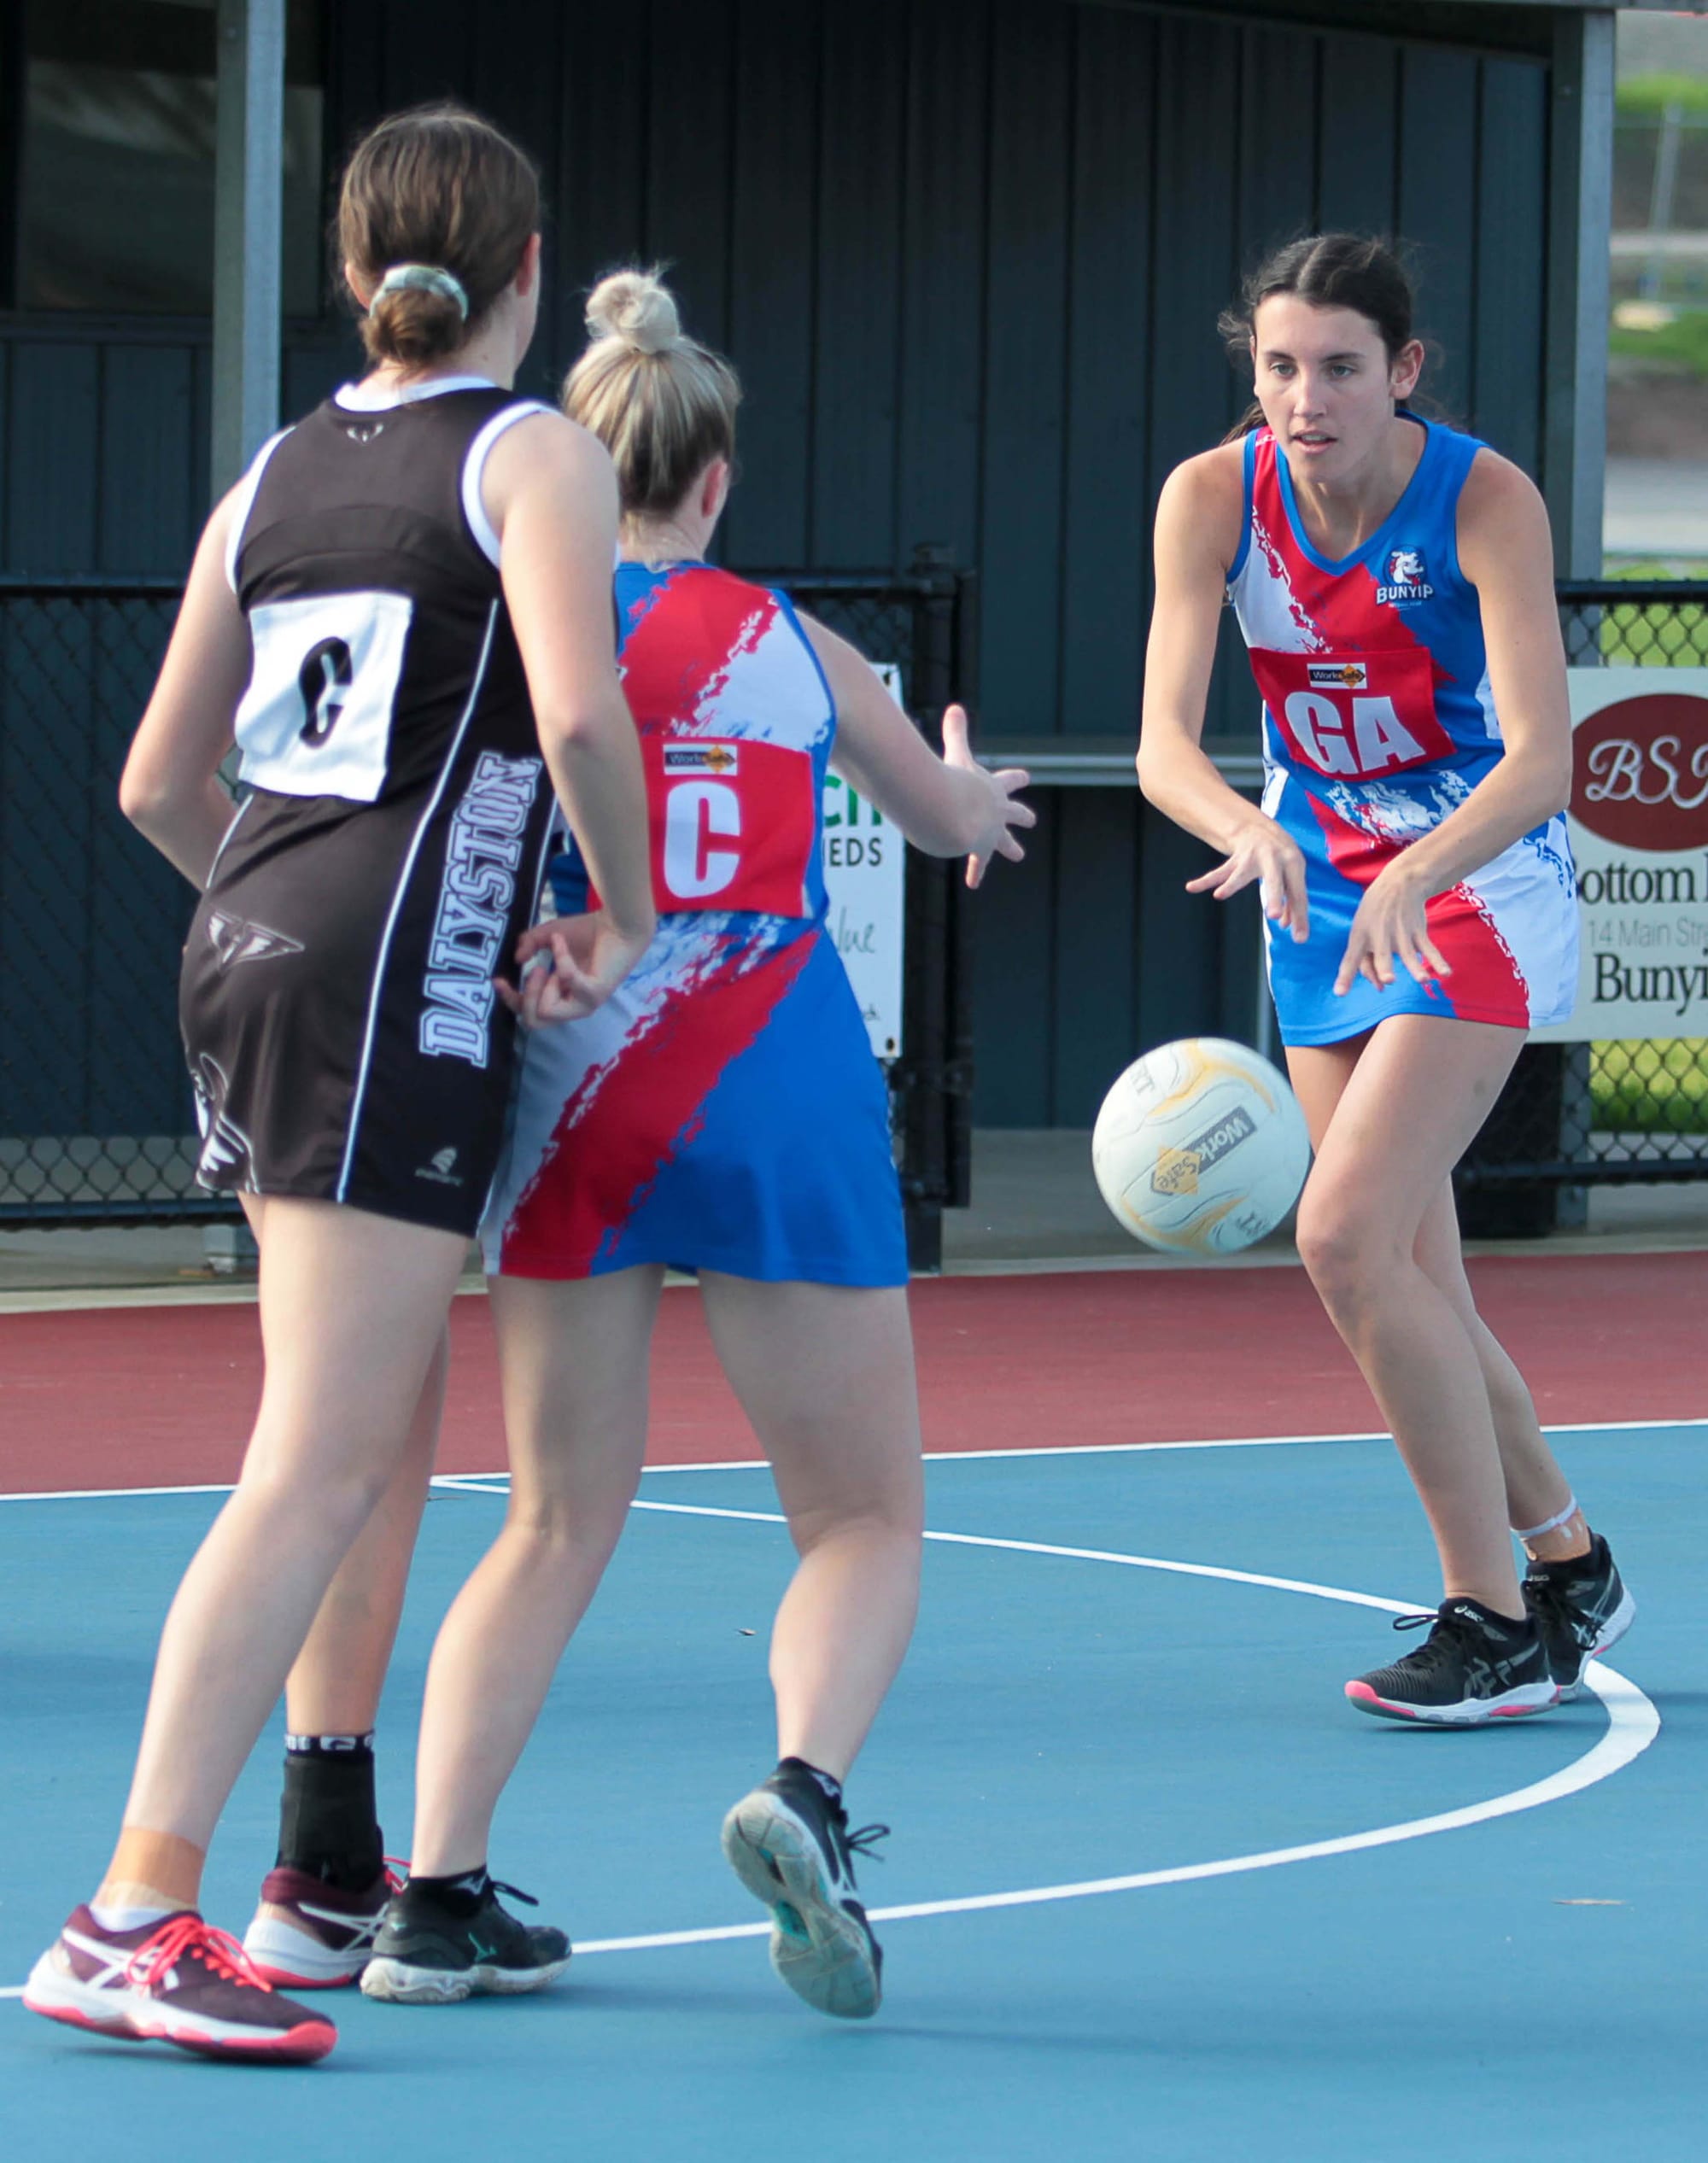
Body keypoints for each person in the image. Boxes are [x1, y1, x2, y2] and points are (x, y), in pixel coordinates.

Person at [237, 267, 1033, 2023]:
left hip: (570, 1086)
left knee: (548, 1520)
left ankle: (434, 1895)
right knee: (859, 1515)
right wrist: (978, 792)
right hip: (776, 1073)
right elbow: (936, 813)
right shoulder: (798, 646)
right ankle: (802, 1789)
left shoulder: (521, 636)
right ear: (717, 476)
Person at [23, 104, 655, 2065]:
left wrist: (283, 906)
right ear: (529, 269)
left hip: (258, 941)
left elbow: (157, 778)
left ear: (354, 271)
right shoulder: (529, 451)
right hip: (384, 972)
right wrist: (622, 910)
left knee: (377, 1423)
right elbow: (577, 709)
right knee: (315, 1449)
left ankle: (318, 1863)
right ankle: (129, 1909)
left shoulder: (273, 473)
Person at [1138, 233, 1633, 1726]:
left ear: (1403, 370)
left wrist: (1422, 865)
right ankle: (1571, 1560)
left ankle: (1494, 1618)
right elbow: (1164, 747)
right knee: (1414, 1280)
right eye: (1280, 367)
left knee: (1344, 1236)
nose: (1307, 399)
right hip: (1320, 887)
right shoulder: (1210, 498)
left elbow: (1543, 761)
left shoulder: (1483, 498)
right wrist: (1246, 828)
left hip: (1475, 879)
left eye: (1342, 368)